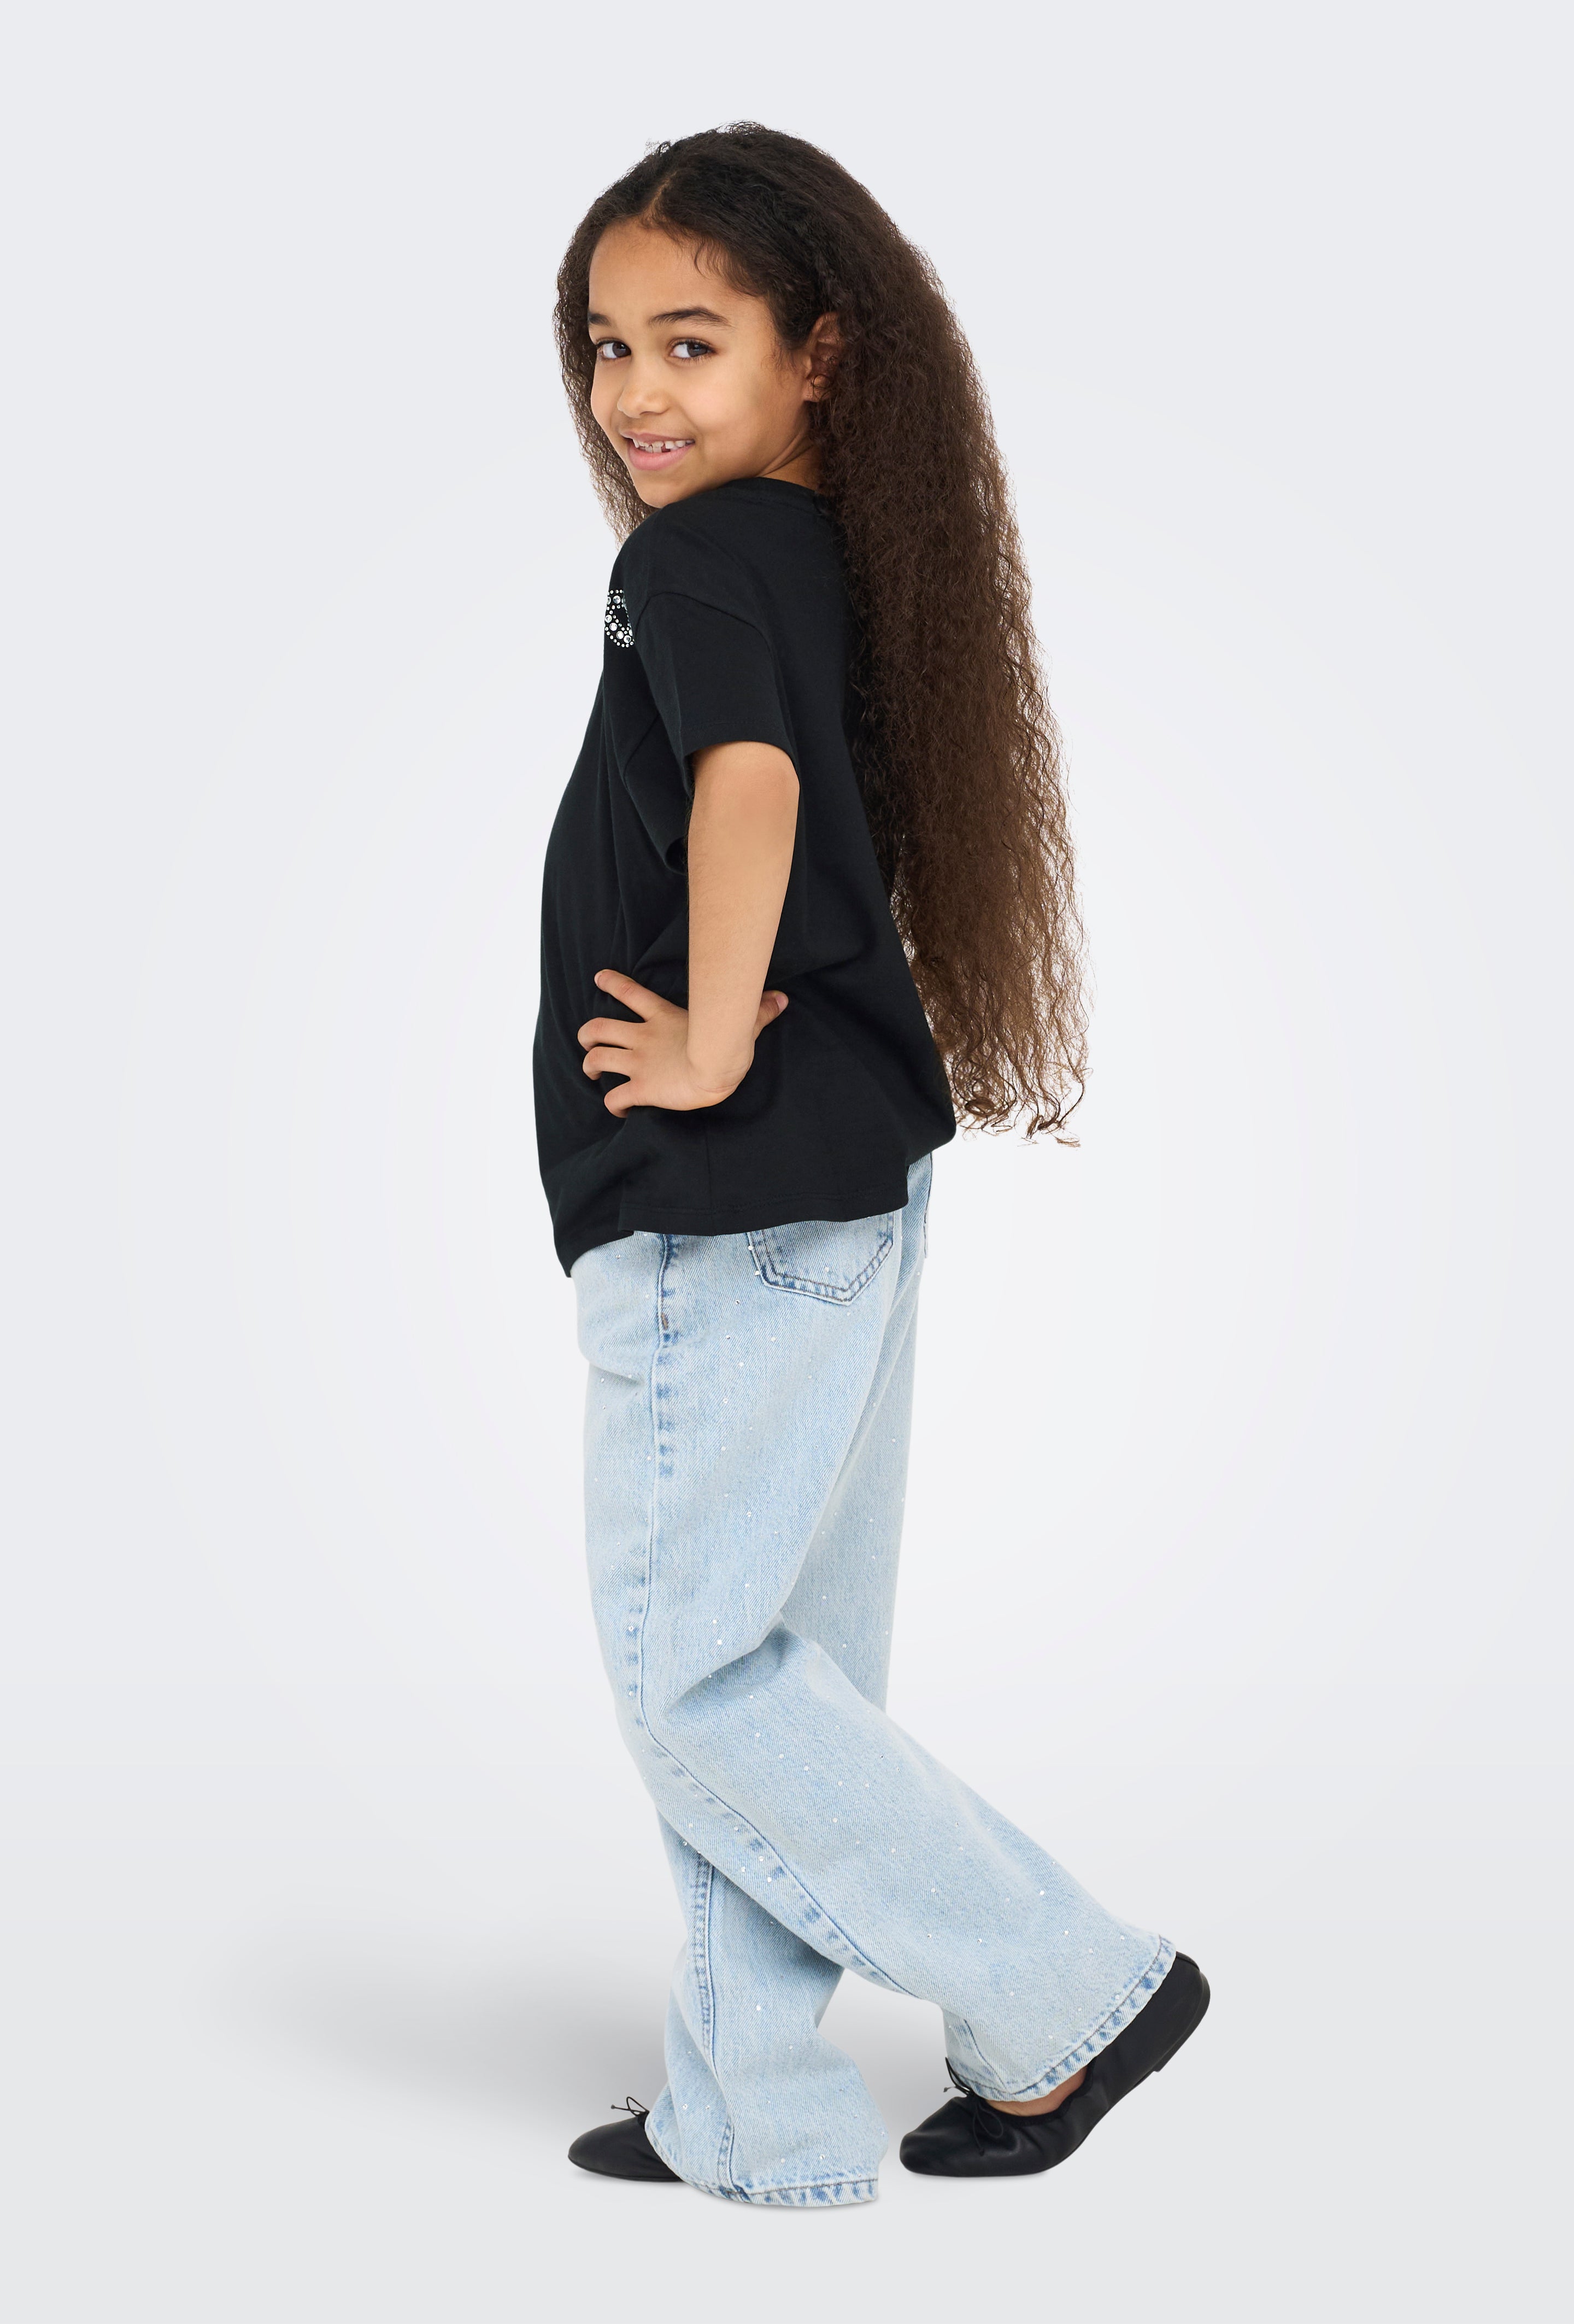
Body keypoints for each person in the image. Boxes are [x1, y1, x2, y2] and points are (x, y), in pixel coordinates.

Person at [535, 124, 1208, 2208]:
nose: (634, 392)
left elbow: (744, 788)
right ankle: (751, 2099)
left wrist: (709, 1034)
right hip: (837, 1180)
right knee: (781, 1666)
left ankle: (1069, 1985)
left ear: (816, 352)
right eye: (605, 345)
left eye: (691, 341)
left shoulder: (695, 560)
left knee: (694, 1668)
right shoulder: (820, 550)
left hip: (725, 1190)